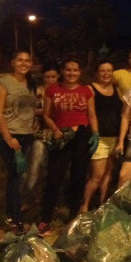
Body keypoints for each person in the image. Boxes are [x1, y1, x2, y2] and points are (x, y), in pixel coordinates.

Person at [38, 56, 99, 236]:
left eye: (75, 70)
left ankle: (73, 217)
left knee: (78, 177)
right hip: (61, 136)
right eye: (68, 70)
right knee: (54, 178)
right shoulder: (52, 90)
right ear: (62, 71)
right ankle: (45, 219)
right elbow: (47, 115)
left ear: (80, 73)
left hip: (81, 135)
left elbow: (92, 115)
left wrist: (95, 133)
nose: (71, 73)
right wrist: (55, 129)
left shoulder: (86, 91)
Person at [0, 50, 37, 235]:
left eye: (27, 60)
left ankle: (10, 214)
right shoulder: (4, 83)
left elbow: (30, 109)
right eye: (20, 60)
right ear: (12, 62)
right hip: (10, 137)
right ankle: (17, 220)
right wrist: (8, 138)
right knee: (18, 177)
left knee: (15, 176)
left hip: (27, 135)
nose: (24, 63)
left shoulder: (31, 84)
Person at [80, 59, 122, 212]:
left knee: (108, 173)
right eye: (102, 70)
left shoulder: (116, 89)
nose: (106, 74)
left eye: (109, 70)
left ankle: (102, 206)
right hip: (99, 138)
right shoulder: (90, 89)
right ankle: (83, 207)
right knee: (96, 176)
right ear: (97, 73)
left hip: (115, 137)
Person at [24, 62, 60, 206]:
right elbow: (29, 111)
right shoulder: (38, 92)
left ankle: (51, 198)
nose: (50, 80)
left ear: (58, 76)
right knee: (35, 165)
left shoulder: (63, 91)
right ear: (43, 77)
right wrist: (46, 111)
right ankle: (27, 198)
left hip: (58, 135)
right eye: (47, 77)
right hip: (40, 134)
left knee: (54, 169)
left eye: (53, 77)